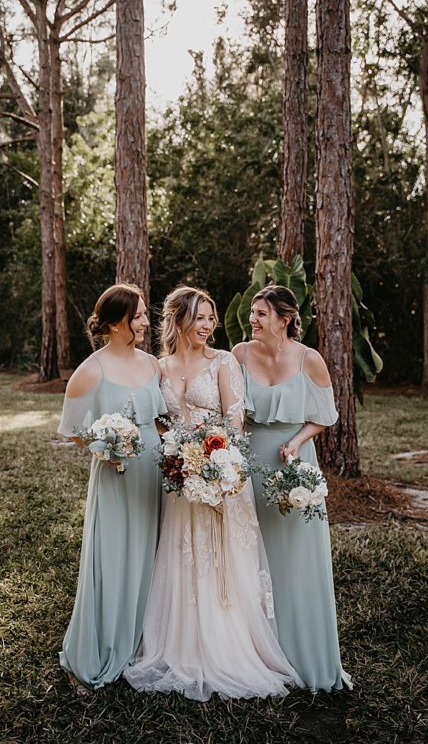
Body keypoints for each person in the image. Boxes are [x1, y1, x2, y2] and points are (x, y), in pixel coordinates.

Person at [124, 286, 302, 701]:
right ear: (180, 320)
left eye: (211, 318)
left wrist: (213, 462)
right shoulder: (160, 367)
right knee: (182, 555)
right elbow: (158, 421)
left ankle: (227, 647)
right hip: (179, 478)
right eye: (200, 318)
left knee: (221, 563)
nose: (208, 326)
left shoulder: (223, 362)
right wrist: (177, 456)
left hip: (222, 474)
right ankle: (182, 645)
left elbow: (236, 424)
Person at [234, 285, 352, 692]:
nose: (253, 319)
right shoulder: (239, 355)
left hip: (293, 465)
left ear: (284, 320)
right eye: (252, 312)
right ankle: (257, 656)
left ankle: (305, 655)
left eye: (262, 314)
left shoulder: (310, 359)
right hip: (249, 463)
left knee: (297, 559)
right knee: (252, 558)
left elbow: (325, 416)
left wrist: (298, 443)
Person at [58, 283, 166, 693]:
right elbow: (73, 431)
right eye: (138, 316)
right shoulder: (91, 370)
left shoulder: (152, 365)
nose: (144, 322)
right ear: (119, 321)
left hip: (152, 470)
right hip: (117, 475)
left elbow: (159, 419)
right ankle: (95, 650)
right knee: (114, 558)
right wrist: (106, 446)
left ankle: (142, 643)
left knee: (149, 554)